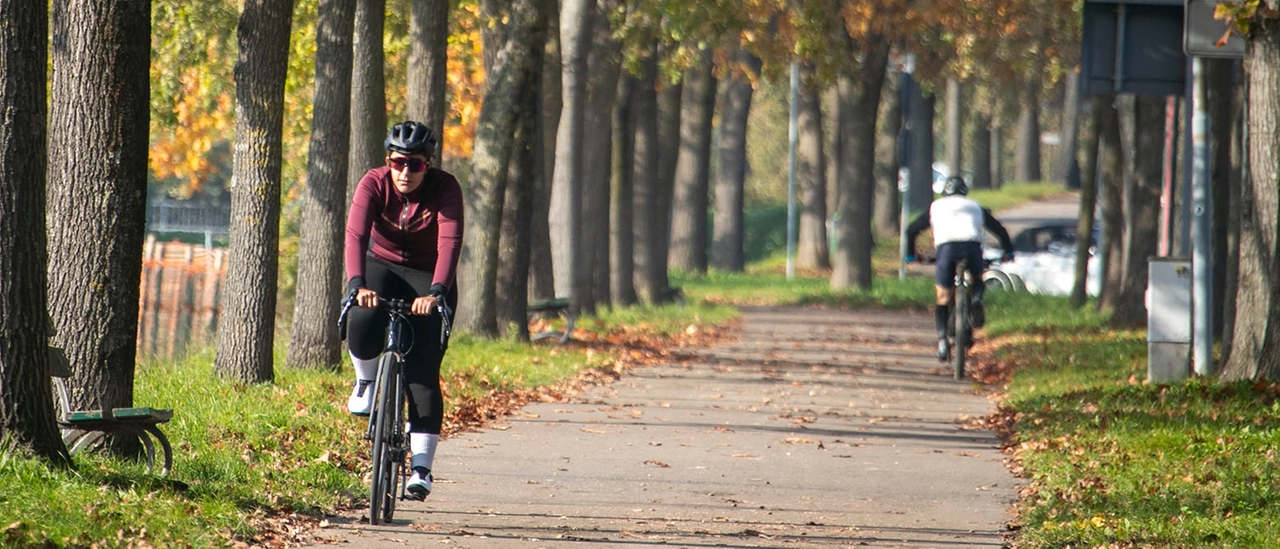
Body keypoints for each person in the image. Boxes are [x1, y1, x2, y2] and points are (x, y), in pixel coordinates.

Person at [344, 120, 463, 500]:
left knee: (422, 373)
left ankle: (422, 469)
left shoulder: (446, 189)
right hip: (382, 264)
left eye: (415, 164)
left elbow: (450, 243)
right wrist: (356, 284)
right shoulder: (373, 183)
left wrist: (437, 292)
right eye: (398, 163)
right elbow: (356, 235)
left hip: (428, 275)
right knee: (362, 316)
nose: (405, 172)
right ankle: (365, 379)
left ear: (429, 164)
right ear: (387, 161)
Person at [904, 176, 1014, 362]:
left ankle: (941, 342)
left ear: (944, 192)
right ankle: (977, 299)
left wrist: (910, 256)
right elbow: (1000, 230)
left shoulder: (935, 207)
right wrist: (1009, 252)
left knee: (943, 296)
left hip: (946, 249)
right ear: (965, 192)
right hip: (972, 247)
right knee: (978, 278)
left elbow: (911, 230)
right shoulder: (974, 205)